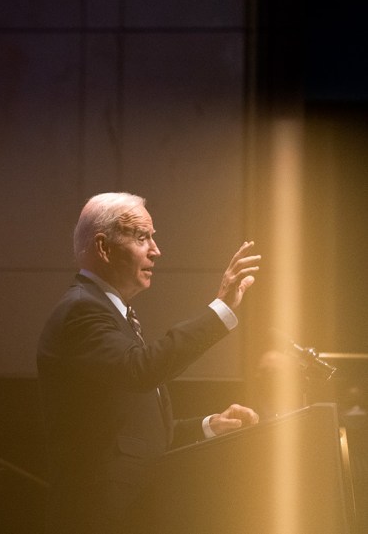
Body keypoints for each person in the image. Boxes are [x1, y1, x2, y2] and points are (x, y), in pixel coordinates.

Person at [36, 192, 261, 533]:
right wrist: (219, 308)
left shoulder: (111, 313)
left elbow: (131, 433)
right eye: (142, 238)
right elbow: (141, 370)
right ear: (103, 248)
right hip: (100, 520)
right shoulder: (82, 311)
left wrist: (209, 426)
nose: (156, 250)